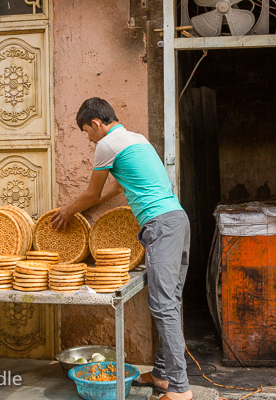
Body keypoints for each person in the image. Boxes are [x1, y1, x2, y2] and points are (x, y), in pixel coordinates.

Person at [50, 97, 192, 400]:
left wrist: (68, 211)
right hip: (177, 220)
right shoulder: (136, 139)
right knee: (171, 301)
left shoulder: (107, 145)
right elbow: (113, 190)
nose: (89, 139)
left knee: (164, 306)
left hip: (160, 225)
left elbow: (91, 193)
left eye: (87, 131)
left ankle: (180, 390)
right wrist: (83, 206)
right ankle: (162, 375)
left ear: (96, 124)